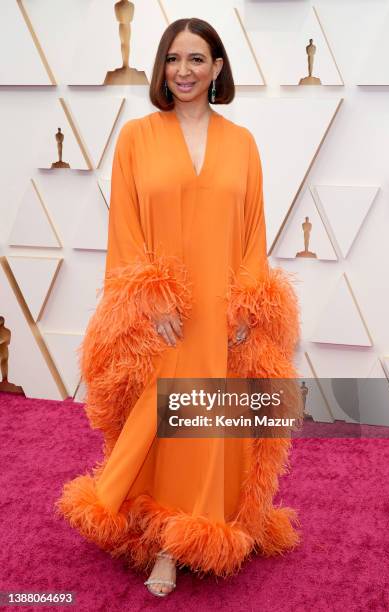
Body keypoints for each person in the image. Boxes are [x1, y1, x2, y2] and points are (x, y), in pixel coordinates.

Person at [54, 17, 303, 598]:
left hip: (224, 313)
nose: (183, 71)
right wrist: (151, 296)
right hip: (162, 315)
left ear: (218, 68)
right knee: (165, 421)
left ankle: (191, 533)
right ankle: (167, 538)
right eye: (173, 59)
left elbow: (253, 232)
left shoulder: (241, 143)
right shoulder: (138, 137)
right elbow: (127, 229)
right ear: (162, 68)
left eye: (196, 60)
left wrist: (246, 303)